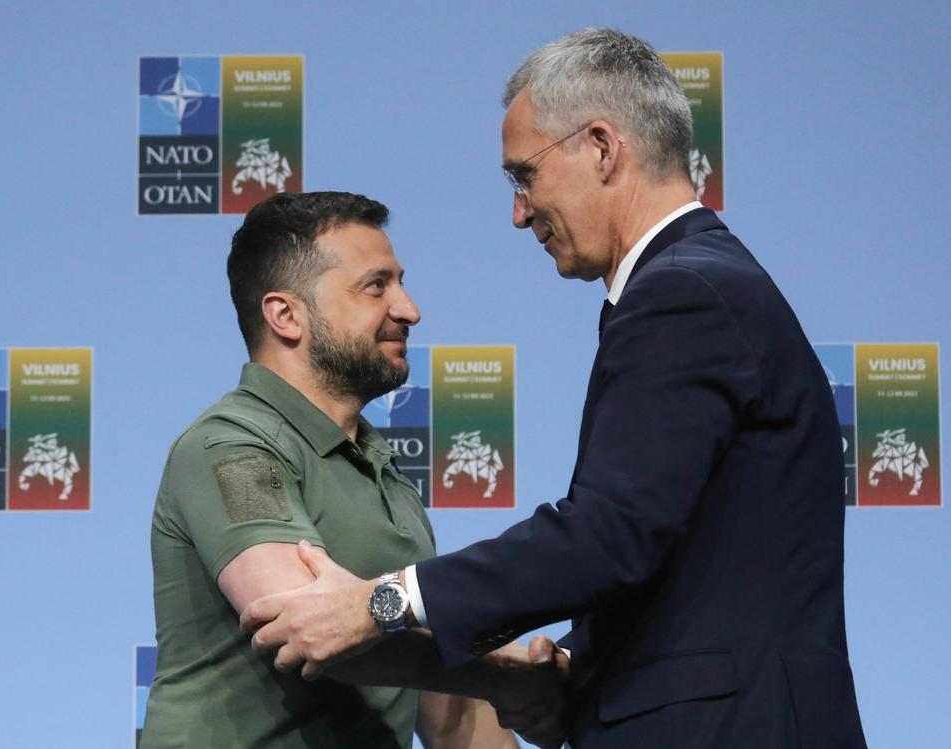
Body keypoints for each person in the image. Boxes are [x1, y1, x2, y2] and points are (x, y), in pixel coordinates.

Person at [240, 29, 869, 749]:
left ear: (601, 146)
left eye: (524, 175)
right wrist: (568, 672)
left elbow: (609, 536)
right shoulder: (704, 285)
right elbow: (675, 560)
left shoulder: (683, 295)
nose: (518, 211)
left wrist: (382, 601)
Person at [141, 191, 560, 749]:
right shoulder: (229, 448)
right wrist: (509, 674)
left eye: (400, 283)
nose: (409, 309)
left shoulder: (382, 467)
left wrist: (508, 684)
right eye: (376, 286)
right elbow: (308, 625)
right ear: (285, 315)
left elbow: (451, 718)